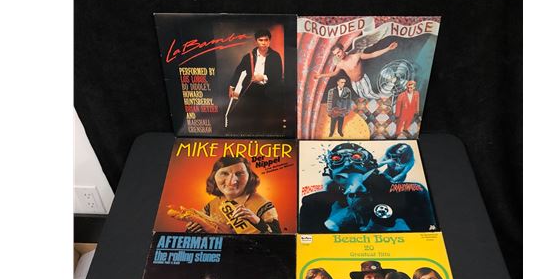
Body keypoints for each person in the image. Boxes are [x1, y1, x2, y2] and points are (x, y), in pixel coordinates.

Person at [299, 142, 436, 233]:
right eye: (336, 159)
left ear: (370, 165)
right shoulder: (313, 204)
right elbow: (310, 244)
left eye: (356, 157)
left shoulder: (410, 193)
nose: (347, 163)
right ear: (330, 171)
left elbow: (428, 236)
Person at [186, 155, 281, 234]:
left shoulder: (263, 205)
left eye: (239, 173)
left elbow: (277, 238)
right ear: (213, 177)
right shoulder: (210, 206)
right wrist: (192, 231)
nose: (232, 181)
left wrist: (257, 221)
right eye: (224, 173)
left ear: (250, 177)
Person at [228, 29, 283, 132]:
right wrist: (231, 87)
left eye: (266, 40)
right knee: (248, 118)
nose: (263, 43)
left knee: (265, 120)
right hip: (251, 90)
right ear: (256, 41)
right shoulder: (248, 56)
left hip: (268, 92)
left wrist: (263, 77)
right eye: (260, 40)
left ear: (269, 41)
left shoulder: (275, 56)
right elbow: (238, 71)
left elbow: (278, 76)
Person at [314, 41, 398, 99]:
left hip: (363, 79)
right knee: (363, 96)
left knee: (370, 94)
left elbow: (372, 54)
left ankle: (388, 95)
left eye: (338, 52)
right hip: (354, 83)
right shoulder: (340, 64)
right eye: (335, 54)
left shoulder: (356, 56)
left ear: (342, 49)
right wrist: (320, 75)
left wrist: (388, 48)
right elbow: (334, 73)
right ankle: (383, 95)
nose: (338, 55)